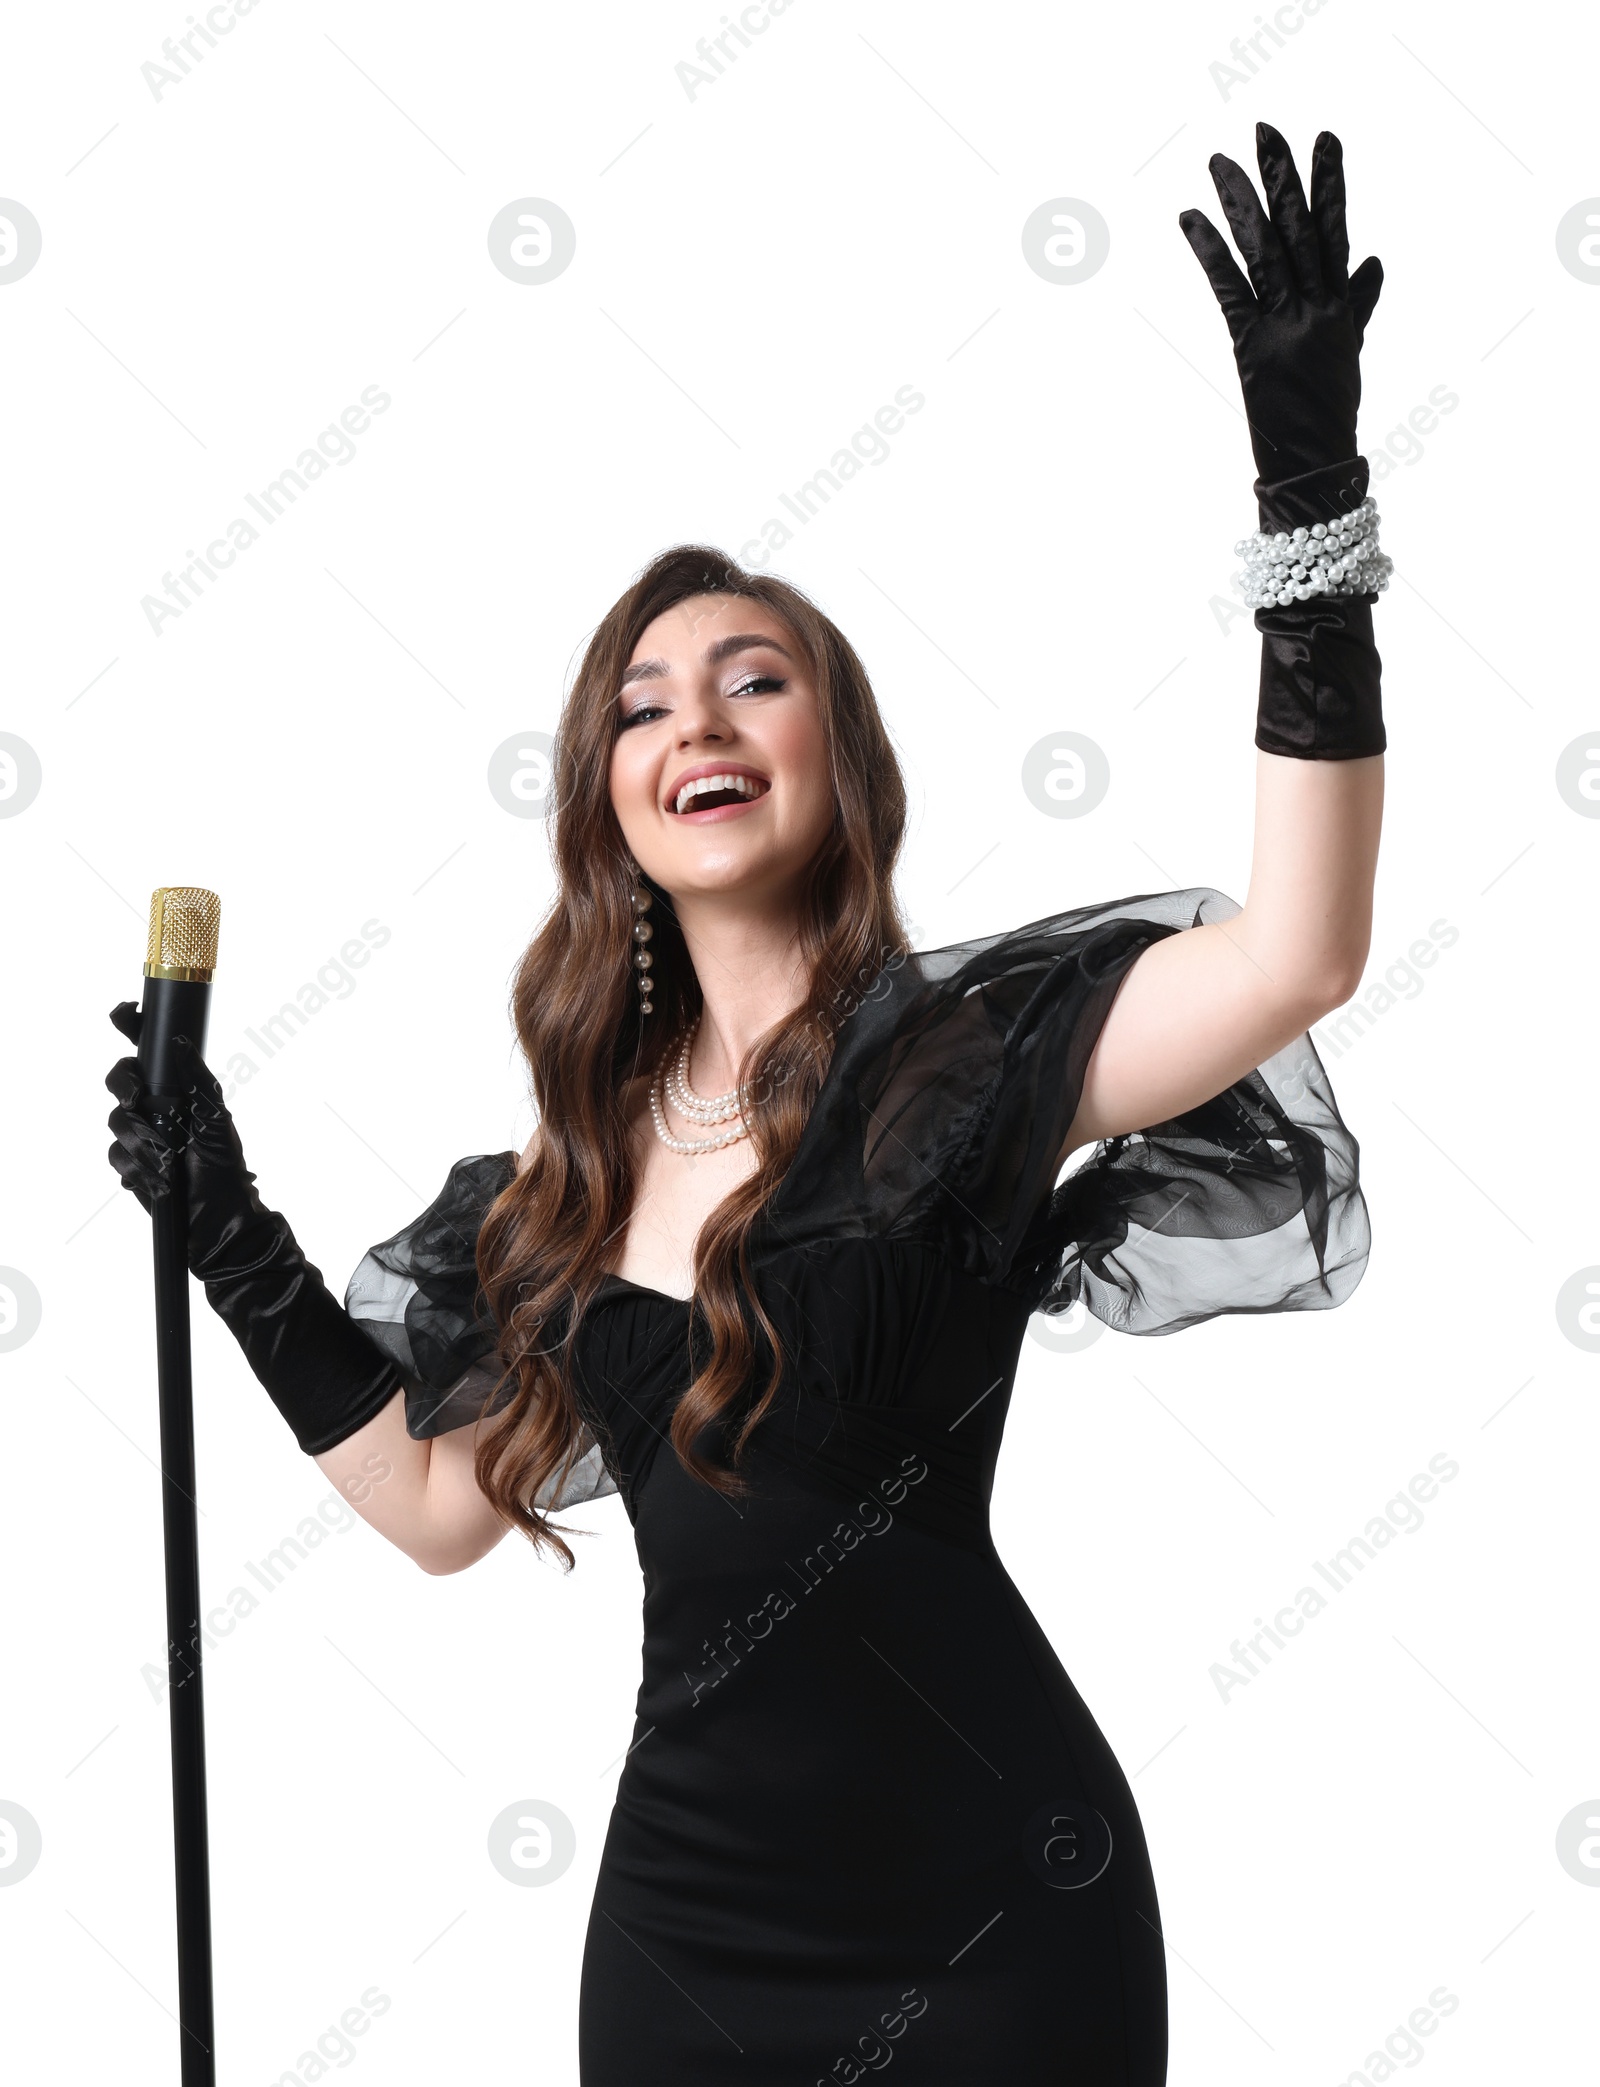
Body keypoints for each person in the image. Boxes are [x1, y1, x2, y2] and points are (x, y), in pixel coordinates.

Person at [107, 122, 1385, 2086]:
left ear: (835, 762)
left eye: (749, 680)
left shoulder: (968, 1072)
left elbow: (1292, 951)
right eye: (639, 703)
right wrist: (230, 1238)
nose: (689, 719)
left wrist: (1308, 512)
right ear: (605, 804)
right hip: (689, 1942)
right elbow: (440, 1513)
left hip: (990, 1932)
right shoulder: (562, 1182)